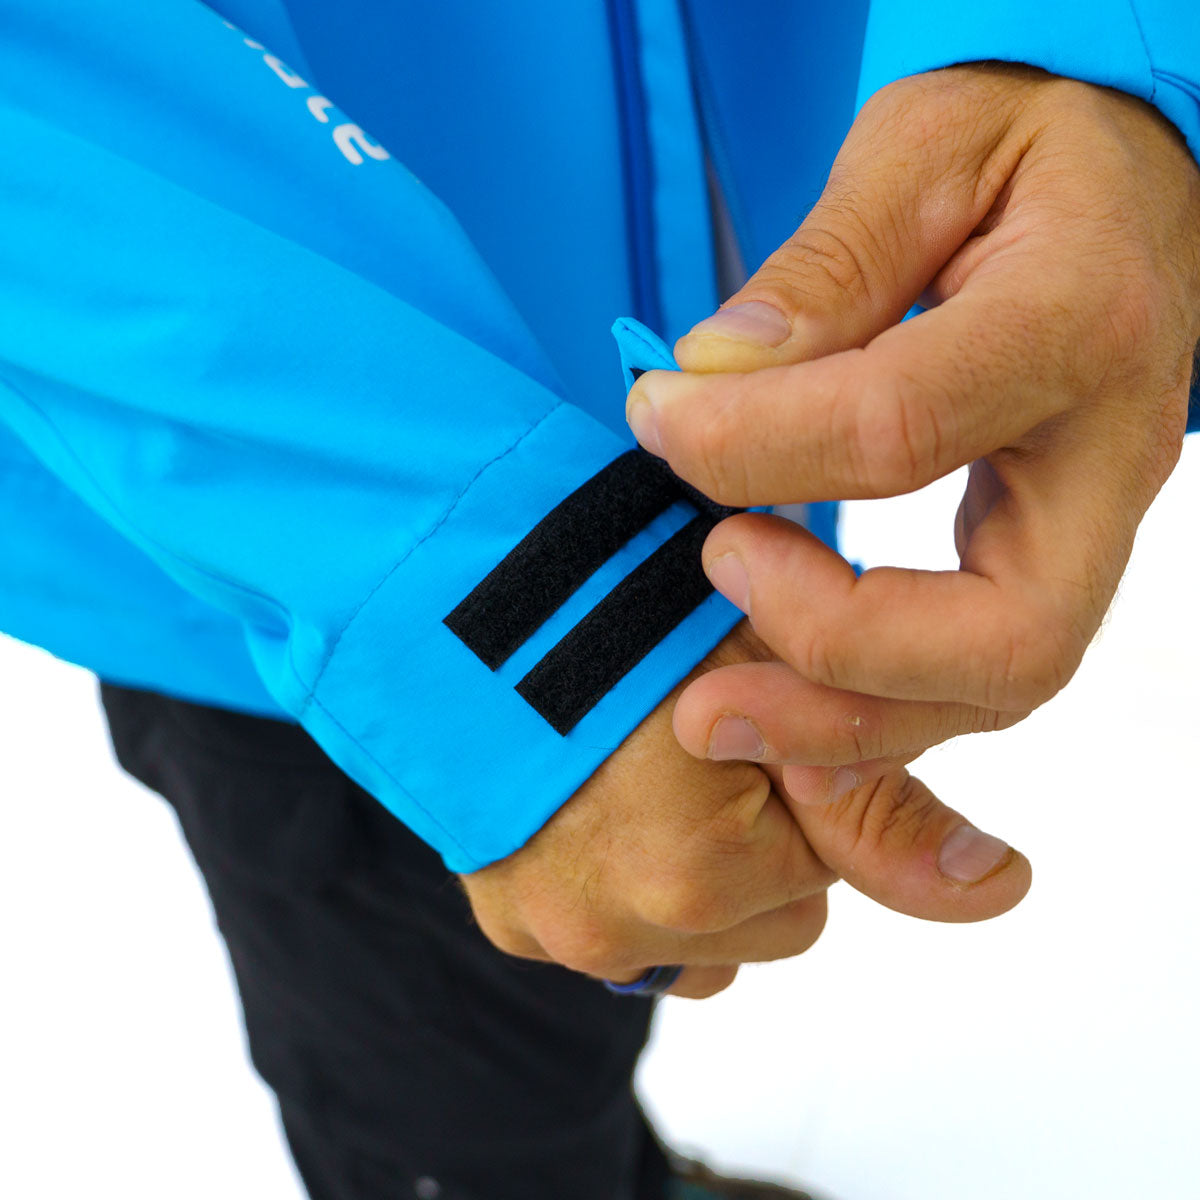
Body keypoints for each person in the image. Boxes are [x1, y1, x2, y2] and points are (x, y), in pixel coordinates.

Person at [0, 3, 1195, 1199]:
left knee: (583, 1001)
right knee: (459, 1089)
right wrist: (484, 577)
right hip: (297, 555)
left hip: (728, 304)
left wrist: (1098, 59)